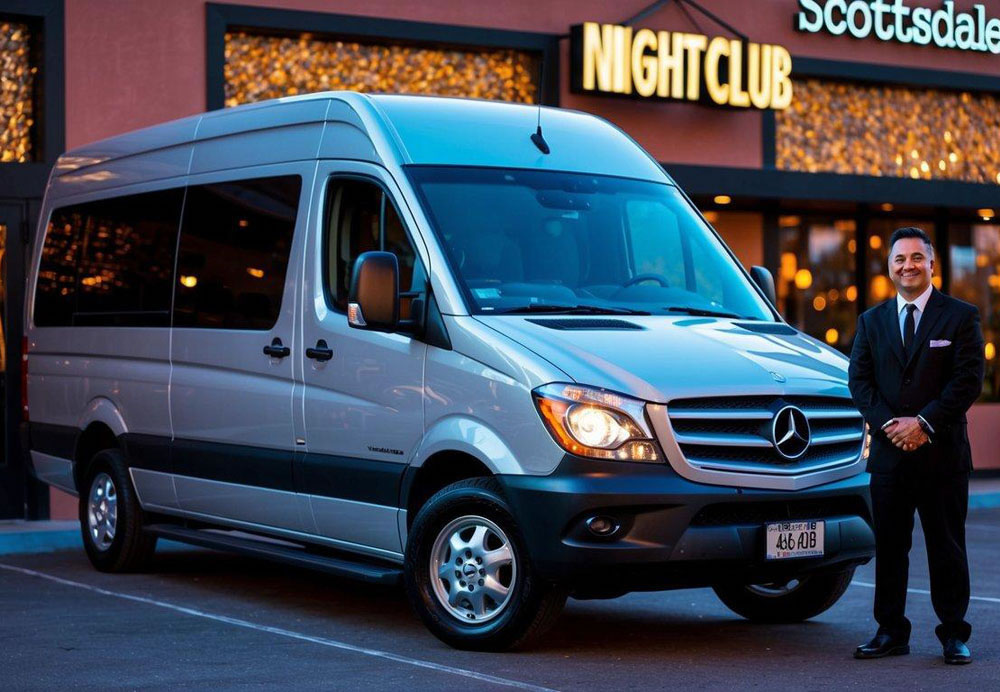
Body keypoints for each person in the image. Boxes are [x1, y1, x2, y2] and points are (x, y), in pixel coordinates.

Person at [848, 226, 984, 665]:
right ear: (890, 267)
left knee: (947, 547)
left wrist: (924, 423)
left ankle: (953, 635)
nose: (908, 266)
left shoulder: (960, 316)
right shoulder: (871, 321)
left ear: (931, 264)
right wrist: (892, 425)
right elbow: (859, 381)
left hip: (942, 454)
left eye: (916, 258)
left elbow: (968, 380)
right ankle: (890, 631)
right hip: (890, 457)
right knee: (890, 548)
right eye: (899, 259)